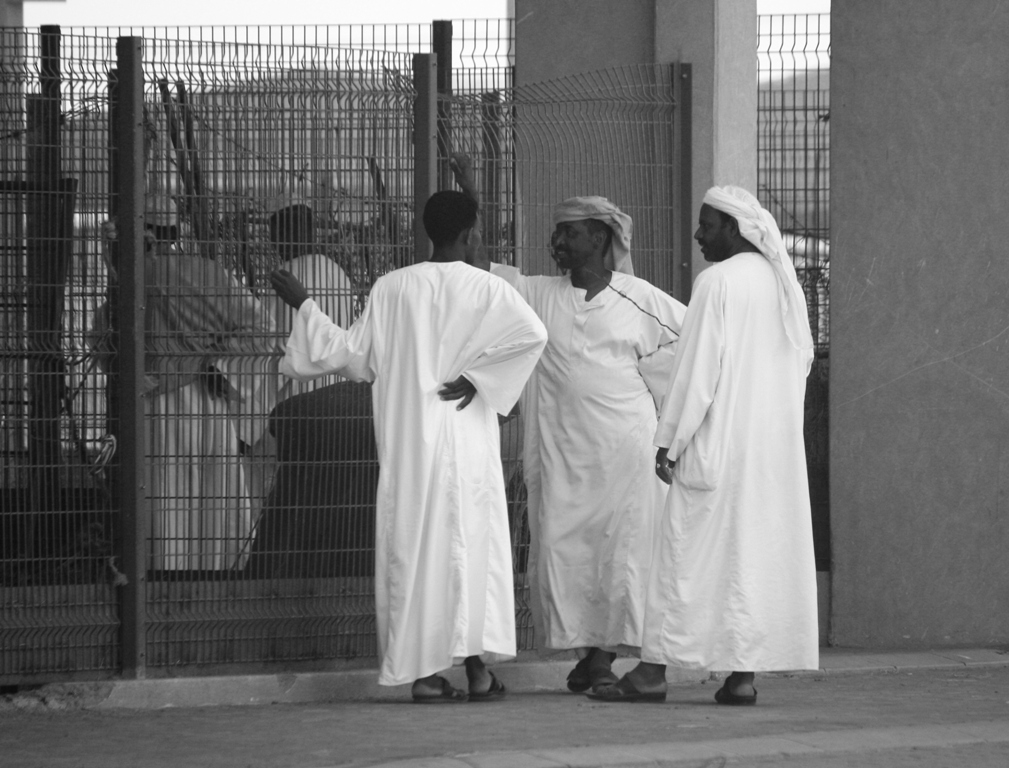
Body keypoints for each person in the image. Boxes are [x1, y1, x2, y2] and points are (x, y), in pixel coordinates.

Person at [269, 190, 547, 701]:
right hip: (466, 442)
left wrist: (304, 304)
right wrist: (479, 379)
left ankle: (423, 675)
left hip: (410, 447)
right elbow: (532, 335)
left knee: (417, 551)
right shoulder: (488, 289)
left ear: (427, 232)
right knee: (469, 549)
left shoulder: (392, 289)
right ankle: (478, 671)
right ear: (471, 235)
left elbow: (350, 356)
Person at [452, 152, 687, 693]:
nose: (557, 243)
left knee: (618, 555)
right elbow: (478, 268)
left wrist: (673, 428)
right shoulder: (537, 293)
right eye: (557, 234)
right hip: (557, 453)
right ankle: (587, 655)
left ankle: (602, 658)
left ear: (602, 239)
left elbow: (691, 356)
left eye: (569, 234)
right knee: (562, 552)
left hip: (624, 456)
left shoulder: (644, 299)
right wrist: (470, 191)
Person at [589, 185, 818, 704]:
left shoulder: (716, 282)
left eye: (706, 225)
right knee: (747, 562)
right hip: (769, 456)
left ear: (732, 230)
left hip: (718, 446)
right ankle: (741, 677)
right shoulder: (784, 285)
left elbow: (696, 374)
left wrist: (668, 441)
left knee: (682, 558)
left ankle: (651, 673)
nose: (697, 236)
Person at [92, 194, 277, 572]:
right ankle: (221, 577)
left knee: (162, 496)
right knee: (215, 495)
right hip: (209, 402)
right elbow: (264, 329)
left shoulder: (130, 279)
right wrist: (218, 366)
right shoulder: (212, 273)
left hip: (152, 403)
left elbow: (101, 341)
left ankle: (159, 583)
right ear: (175, 232)